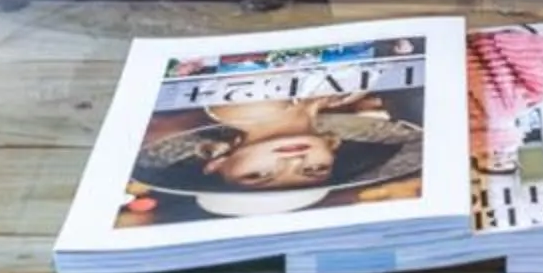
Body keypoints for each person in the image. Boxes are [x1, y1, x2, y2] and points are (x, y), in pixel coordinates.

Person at [132, 91, 422, 197]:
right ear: (332, 147)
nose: (293, 162)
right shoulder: (343, 99)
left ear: (217, 161)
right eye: (315, 169)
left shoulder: (245, 108)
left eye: (259, 175)